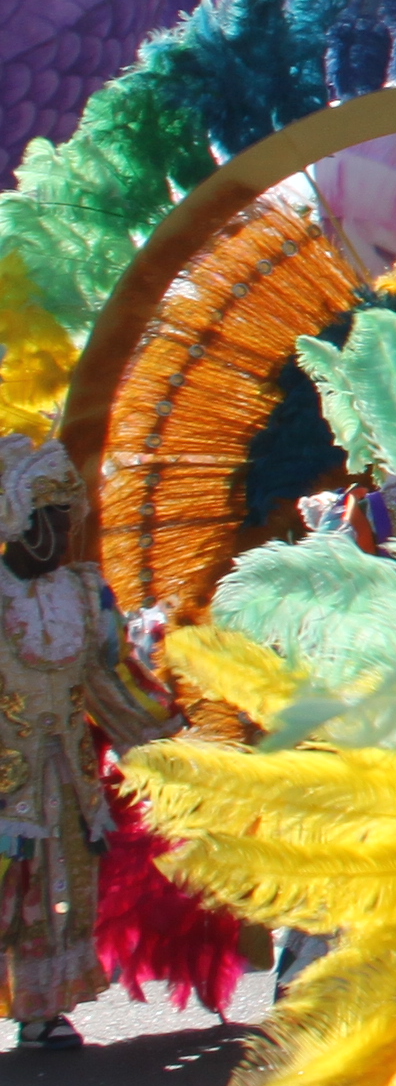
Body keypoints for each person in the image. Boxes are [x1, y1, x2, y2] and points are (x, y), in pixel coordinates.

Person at [0, 435, 185, 1052]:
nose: (65, 530)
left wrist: (166, 738)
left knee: (60, 888)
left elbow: (111, 678)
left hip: (70, 779)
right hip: (6, 785)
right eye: (51, 517)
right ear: (17, 518)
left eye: (67, 516)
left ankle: (41, 1009)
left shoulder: (84, 593)